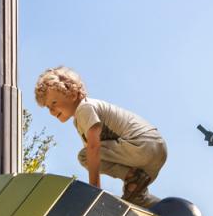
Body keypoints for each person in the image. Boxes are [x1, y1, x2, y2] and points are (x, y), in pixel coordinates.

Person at [32, 66, 168, 207]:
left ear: (72, 94)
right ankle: (161, 207)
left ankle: (132, 176)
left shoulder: (84, 109)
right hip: (154, 152)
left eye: (54, 103)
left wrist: (94, 189)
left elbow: (93, 149)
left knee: (85, 157)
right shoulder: (82, 116)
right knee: (135, 199)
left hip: (142, 145)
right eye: (48, 107)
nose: (52, 111)